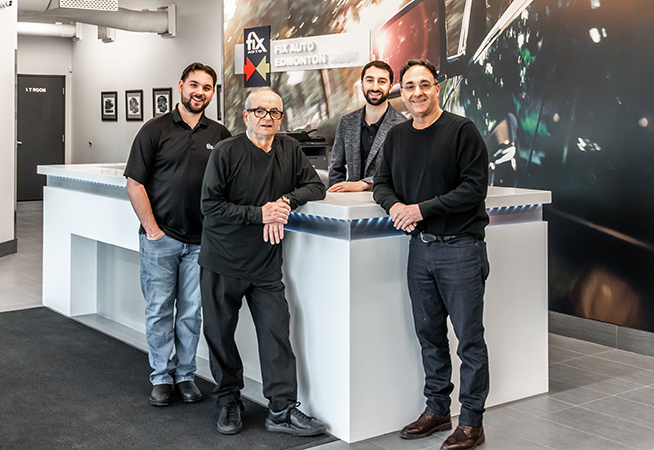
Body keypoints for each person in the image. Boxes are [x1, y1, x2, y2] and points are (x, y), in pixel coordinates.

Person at [373, 59, 490, 450]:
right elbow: (381, 184)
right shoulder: (397, 136)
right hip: (420, 251)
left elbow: (473, 189)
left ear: (437, 88)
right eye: (409, 86)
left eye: (424, 84)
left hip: (461, 248)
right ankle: (438, 409)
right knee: (430, 335)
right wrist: (394, 206)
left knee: (469, 340)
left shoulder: (462, 131)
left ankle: (471, 423)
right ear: (401, 93)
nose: (417, 92)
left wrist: (420, 210)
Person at [199, 88, 327, 436]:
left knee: (276, 334)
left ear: (281, 118)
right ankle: (228, 400)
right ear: (246, 116)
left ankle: (281, 410)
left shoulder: (290, 149)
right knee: (220, 335)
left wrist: (283, 202)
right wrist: (260, 214)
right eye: (259, 111)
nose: (267, 117)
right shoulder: (226, 152)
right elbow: (210, 206)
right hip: (222, 260)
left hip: (266, 264)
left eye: (274, 112)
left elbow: (315, 187)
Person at [123, 62, 231, 407]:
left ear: (213, 93)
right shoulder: (154, 130)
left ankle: (185, 375)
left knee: (191, 313)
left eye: (207, 87)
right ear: (181, 85)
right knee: (158, 310)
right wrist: (153, 230)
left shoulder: (220, 135)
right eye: (194, 85)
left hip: (201, 242)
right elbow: (134, 183)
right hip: (161, 239)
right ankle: (160, 377)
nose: (200, 92)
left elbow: (230, 186)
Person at [328, 60, 406, 192]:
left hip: (387, 200)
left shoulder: (402, 125)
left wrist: (365, 184)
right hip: (350, 201)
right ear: (362, 84)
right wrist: (335, 195)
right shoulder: (346, 122)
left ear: (390, 86)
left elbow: (400, 172)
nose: (375, 87)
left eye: (382, 81)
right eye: (370, 80)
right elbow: (336, 169)